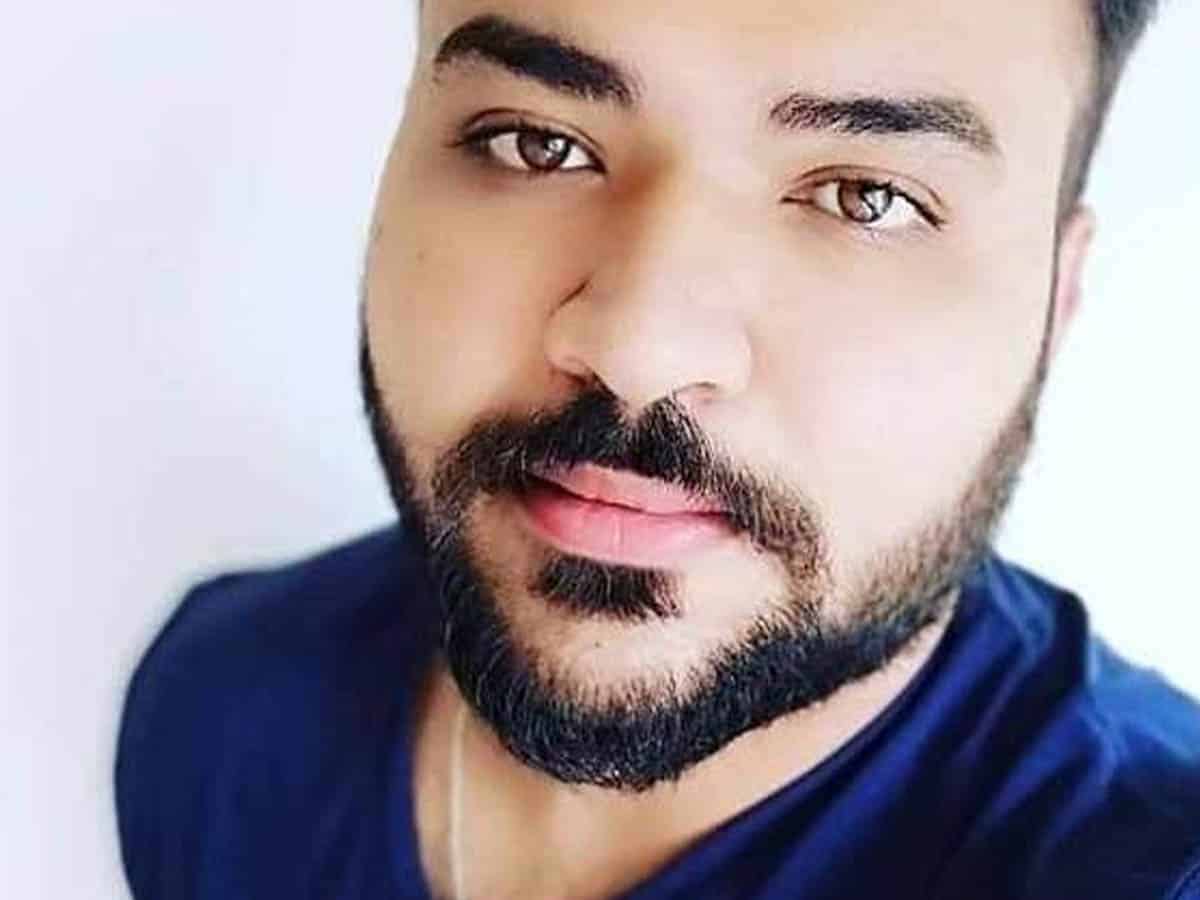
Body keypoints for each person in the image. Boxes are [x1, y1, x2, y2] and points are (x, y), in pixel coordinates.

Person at [114, 1, 1200, 897]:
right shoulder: (221, 710)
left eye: (866, 199)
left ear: (1056, 300)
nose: (637, 347)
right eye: (535, 142)